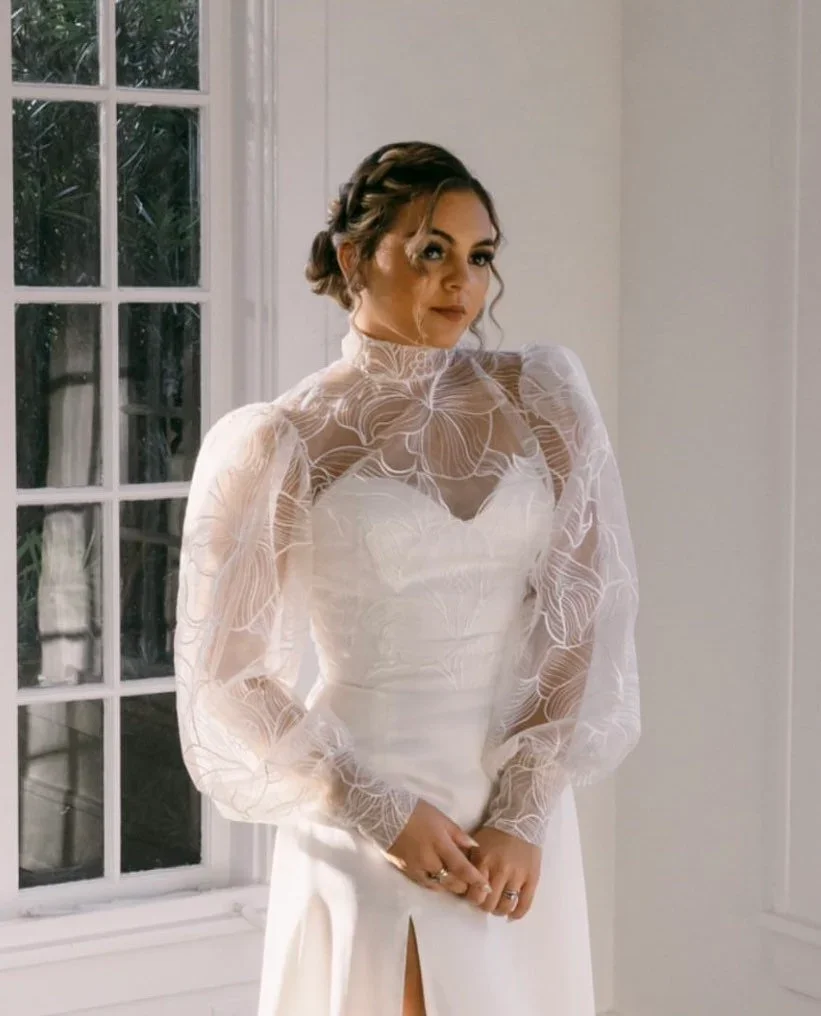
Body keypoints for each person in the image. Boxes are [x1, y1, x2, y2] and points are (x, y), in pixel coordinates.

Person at [173, 141, 641, 1016]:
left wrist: (524, 811)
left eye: (479, 255)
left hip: (513, 803)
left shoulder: (540, 400)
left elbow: (581, 616)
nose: (460, 281)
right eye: (430, 251)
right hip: (363, 798)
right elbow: (231, 673)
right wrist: (374, 806)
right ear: (356, 257)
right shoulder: (283, 440)